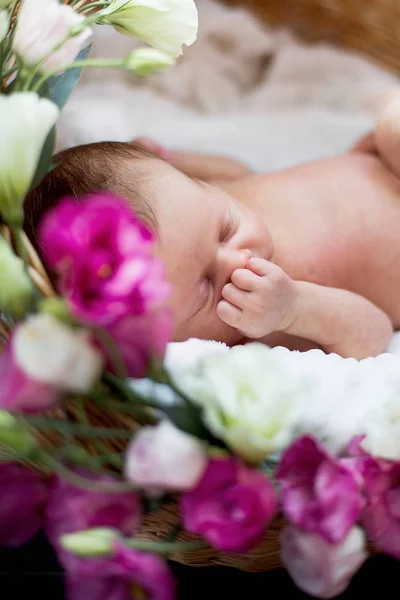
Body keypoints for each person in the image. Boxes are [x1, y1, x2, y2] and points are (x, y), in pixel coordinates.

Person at [24, 91, 400, 359]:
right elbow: (374, 333)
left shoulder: (194, 205)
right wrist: (295, 307)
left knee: (391, 123)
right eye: (207, 287)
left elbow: (241, 174)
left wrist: (179, 160)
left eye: (225, 229)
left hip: (381, 161)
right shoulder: (260, 324)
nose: (238, 259)